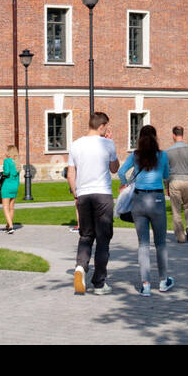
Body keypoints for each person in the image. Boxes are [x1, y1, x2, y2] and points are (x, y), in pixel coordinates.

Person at [68, 111, 120, 295]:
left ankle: (80, 267)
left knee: (86, 235)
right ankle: (99, 283)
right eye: (105, 127)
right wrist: (111, 145)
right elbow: (114, 169)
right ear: (101, 126)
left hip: (83, 195)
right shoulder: (107, 143)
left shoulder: (75, 145)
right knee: (103, 239)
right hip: (102, 194)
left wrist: (76, 194)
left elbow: (70, 173)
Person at [119, 125, 174, 296]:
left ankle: (146, 284)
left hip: (139, 200)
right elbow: (166, 175)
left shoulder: (135, 155)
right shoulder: (162, 155)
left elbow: (121, 171)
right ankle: (164, 281)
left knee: (143, 244)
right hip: (157, 200)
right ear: (155, 137)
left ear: (140, 138)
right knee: (160, 243)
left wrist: (125, 183)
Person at [0, 144, 21, 233]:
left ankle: (11, 226)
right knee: (11, 207)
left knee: (5, 207)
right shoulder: (17, 163)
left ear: (9, 152)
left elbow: (7, 172)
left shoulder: (7, 161)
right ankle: (8, 225)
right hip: (15, 186)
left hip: (7, 185)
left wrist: (1, 174)